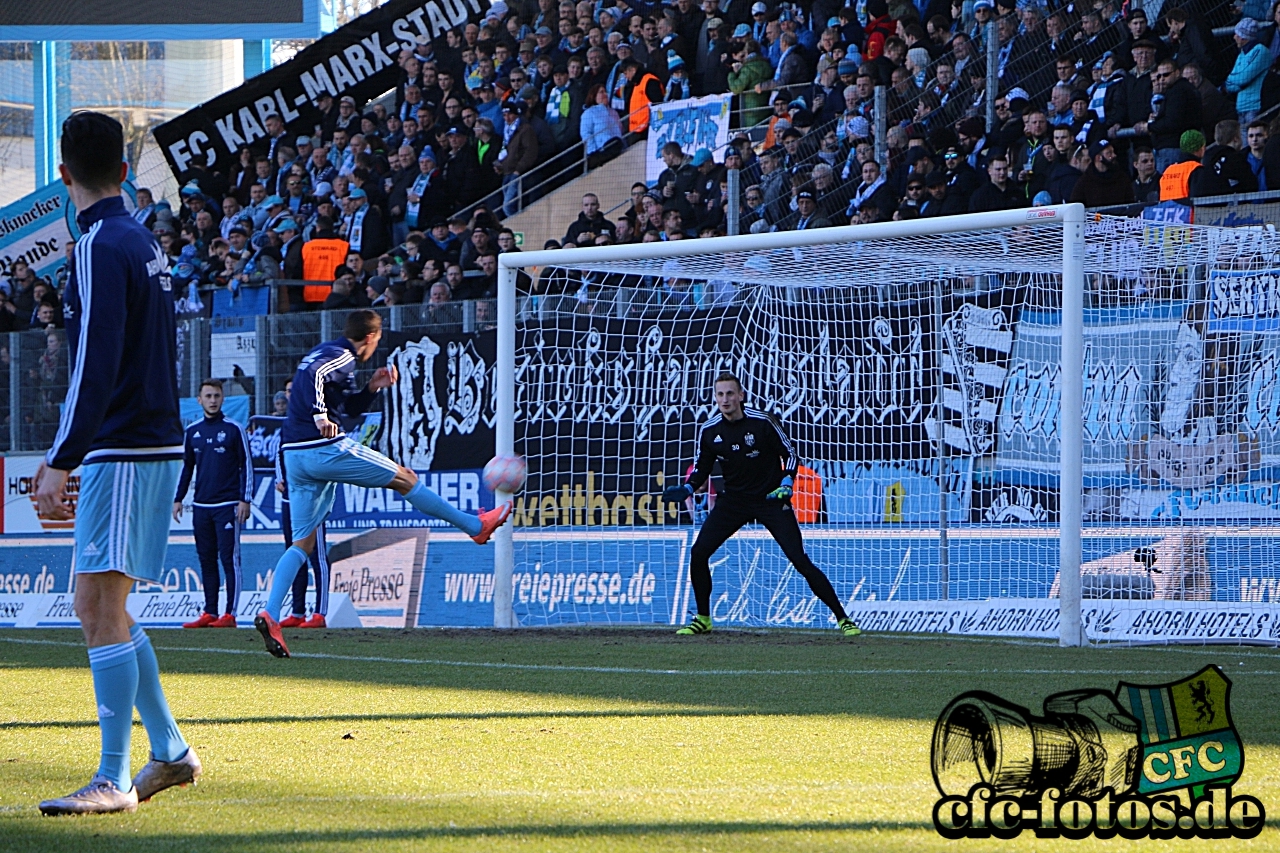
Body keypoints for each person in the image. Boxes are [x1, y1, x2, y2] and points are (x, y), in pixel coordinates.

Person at [36, 111, 200, 816]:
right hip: (142, 441)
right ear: (126, 173)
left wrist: (60, 457)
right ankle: (168, 751)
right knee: (102, 604)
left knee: (99, 604)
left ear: (64, 174)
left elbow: (93, 363)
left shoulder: (101, 243)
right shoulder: (141, 240)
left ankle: (113, 775)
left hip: (126, 445)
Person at [254, 310, 513, 658]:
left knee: (302, 543)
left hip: (295, 458)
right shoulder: (340, 354)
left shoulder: (324, 353)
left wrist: (371, 389)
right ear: (372, 337)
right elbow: (313, 380)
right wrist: (319, 413)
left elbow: (342, 404)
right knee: (406, 478)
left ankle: (270, 613)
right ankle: (475, 526)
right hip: (322, 449)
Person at [661, 372, 861, 638]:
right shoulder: (709, 430)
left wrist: (787, 482)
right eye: (720, 394)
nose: (725, 399)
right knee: (699, 553)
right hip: (733, 502)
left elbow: (790, 452)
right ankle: (703, 618)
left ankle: (843, 618)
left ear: (741, 396)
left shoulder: (763, 421)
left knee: (799, 559)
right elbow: (702, 469)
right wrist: (687, 487)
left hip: (770, 499)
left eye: (730, 393)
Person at [173, 379, 253, 629]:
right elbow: (187, 467)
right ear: (199, 400)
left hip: (228, 504)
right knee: (206, 558)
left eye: (217, 395)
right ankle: (210, 610)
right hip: (201, 506)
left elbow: (246, 466)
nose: (213, 400)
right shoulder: (192, 431)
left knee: (229, 558)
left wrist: (245, 499)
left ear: (222, 399)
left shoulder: (234, 429)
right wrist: (178, 498)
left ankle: (229, 614)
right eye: (208, 396)